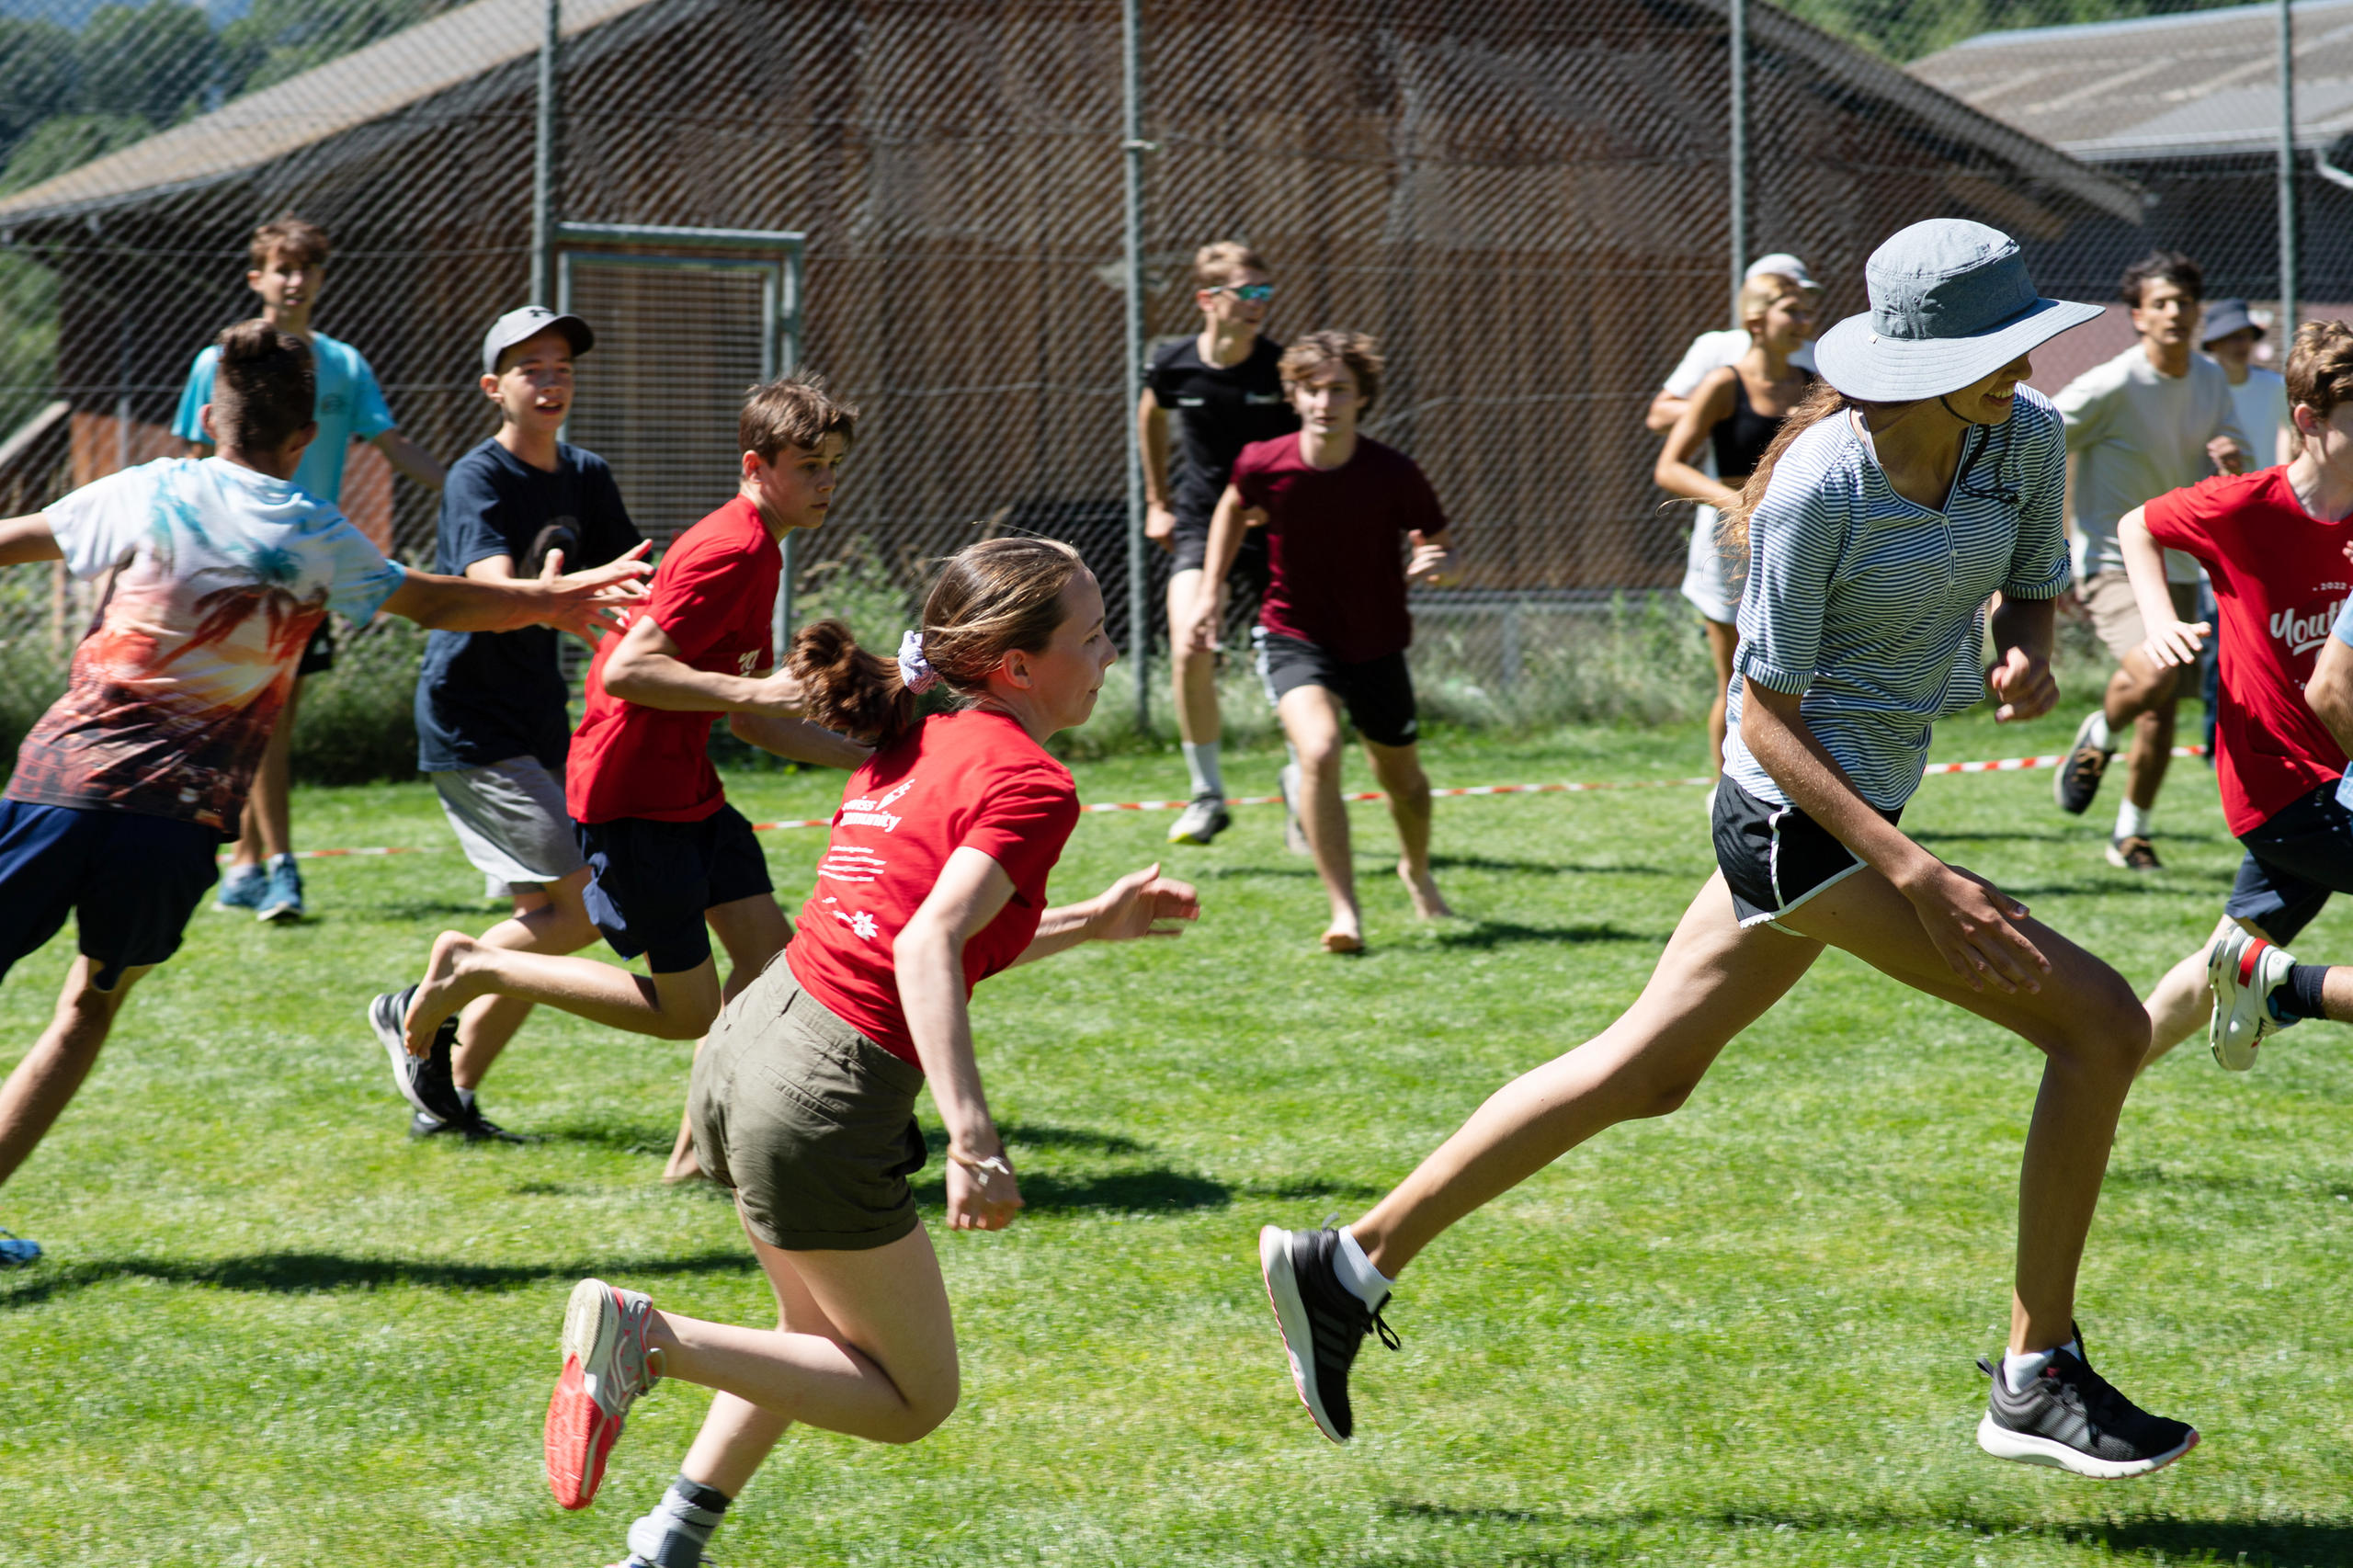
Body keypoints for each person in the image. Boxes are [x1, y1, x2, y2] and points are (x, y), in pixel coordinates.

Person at [1257, 221, 2201, 1481]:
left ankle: (1346, 1260)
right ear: (1911, 360)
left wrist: (2021, 644)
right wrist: (1915, 874)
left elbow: (2030, 580)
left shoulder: (2019, 434)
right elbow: (1764, 711)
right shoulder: (1820, 483)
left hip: (1867, 809)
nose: (2023, 365)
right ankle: (2036, 1376)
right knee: (2100, 1024)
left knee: (1648, 1072)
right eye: (1995, 346)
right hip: (1788, 822)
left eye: (2023, 341)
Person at [536, 540, 1199, 1567]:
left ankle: (665, 1542)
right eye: (1093, 634)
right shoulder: (1031, 780)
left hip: (749, 1046)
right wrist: (974, 1139)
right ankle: (646, 1338)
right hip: (819, 1096)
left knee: (810, 1333)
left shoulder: (917, 736)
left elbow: (903, 925)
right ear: (1015, 666)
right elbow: (926, 942)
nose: (1111, 651)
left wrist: (1087, 921)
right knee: (910, 1397)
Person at [0, 321, 645, 1264]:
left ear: (211, 417)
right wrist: (555, 599)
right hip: (170, 826)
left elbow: (12, 540)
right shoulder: (311, 533)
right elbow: (437, 598)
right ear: (306, 440)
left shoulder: (147, 489)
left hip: (57, 788)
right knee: (87, 1007)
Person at [386, 373, 871, 1182]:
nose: (827, 482)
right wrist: (754, 689)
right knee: (688, 1011)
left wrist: (875, 763)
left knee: (769, 961)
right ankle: (477, 969)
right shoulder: (733, 549)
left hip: (686, 789)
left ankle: (696, 1160)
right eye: (810, 465)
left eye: (835, 465)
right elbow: (633, 672)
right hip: (635, 799)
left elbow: (752, 720)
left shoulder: (763, 549)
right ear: (757, 465)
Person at [369, 306, 642, 1144]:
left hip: (538, 719)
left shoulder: (586, 475)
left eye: (561, 365)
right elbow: (488, 590)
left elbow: (635, 577)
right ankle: (423, 1001)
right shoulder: (476, 479)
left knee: (549, 922)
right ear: (496, 388)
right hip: (472, 719)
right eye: (531, 368)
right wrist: (560, 597)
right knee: (585, 907)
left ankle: (442, 1098)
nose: (551, 379)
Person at [173, 214, 448, 922]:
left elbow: (393, 446)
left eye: (307, 268)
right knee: (248, 717)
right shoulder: (222, 359)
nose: (295, 281)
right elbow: (186, 461)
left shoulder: (345, 365)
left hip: (303, 570)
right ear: (256, 277)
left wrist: (473, 484)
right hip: (225, 566)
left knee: (269, 716)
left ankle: (259, 865)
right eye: (281, 267)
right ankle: (258, 863)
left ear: (321, 279)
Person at [2111, 321, 2353, 1071]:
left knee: (2230, 956)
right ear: (2309, 423)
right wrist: (2160, 623)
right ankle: (2288, 991)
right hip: (2282, 783)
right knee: (2251, 963)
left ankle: (2101, 1070)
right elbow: (2136, 525)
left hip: (2335, 782)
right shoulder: (2245, 507)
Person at [1180, 331, 1458, 953]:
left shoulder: (1393, 472)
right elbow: (1230, 507)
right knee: (1321, 750)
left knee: (1405, 784)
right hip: (1293, 634)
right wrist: (1209, 593)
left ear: (1362, 399)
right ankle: (1345, 913)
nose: (1324, 402)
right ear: (1293, 394)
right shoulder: (1263, 461)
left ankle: (1416, 867)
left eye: (1339, 390)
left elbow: (1437, 539)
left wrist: (1432, 562)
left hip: (1378, 643)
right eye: (1312, 389)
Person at [2050, 251, 2251, 871]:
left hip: (2184, 564)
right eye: (2159, 303)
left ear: (2197, 312)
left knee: (2163, 707)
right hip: (2113, 559)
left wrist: (2232, 456)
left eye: (2183, 302)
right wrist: (2041, 545)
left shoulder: (2213, 379)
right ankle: (2099, 734)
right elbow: (2035, 437)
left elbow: (2232, 450)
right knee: (2157, 676)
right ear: (2137, 316)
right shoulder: (2112, 384)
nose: (2173, 313)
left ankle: (2130, 833)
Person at [1138, 241, 1300, 847]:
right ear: (1208, 299)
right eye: (1246, 293)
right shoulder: (1174, 363)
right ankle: (1208, 795)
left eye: (1266, 293)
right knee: (1189, 647)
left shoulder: (1281, 371)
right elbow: (1150, 412)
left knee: (1291, 655)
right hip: (1201, 524)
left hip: (1275, 528)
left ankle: (1302, 782)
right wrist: (1158, 500)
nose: (1259, 305)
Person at [1654, 270, 1817, 775]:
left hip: (1796, 545)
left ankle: (1793, 793)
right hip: (1730, 549)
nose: (1804, 322)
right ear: (1755, 319)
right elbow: (1669, 468)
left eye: (1807, 311)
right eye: (1791, 311)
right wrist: (1739, 504)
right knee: (1735, 680)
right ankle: (1725, 794)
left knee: (1797, 680)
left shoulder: (1811, 384)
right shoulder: (1723, 382)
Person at [2202, 298, 2293, 468]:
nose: (2241, 344)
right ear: (2213, 344)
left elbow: (2290, 433)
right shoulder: (2200, 389)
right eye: (2232, 337)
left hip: (2265, 489)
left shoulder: (2275, 386)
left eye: (2245, 336)